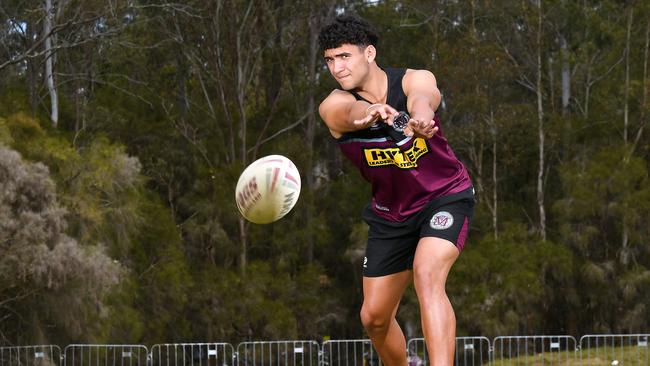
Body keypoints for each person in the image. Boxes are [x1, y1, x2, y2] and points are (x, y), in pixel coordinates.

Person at [317, 15, 475, 366]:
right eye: (330, 60)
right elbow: (347, 112)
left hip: (444, 196)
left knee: (427, 273)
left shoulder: (412, 79)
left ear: (369, 52)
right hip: (392, 216)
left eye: (344, 56)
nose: (337, 67)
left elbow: (424, 96)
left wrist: (420, 116)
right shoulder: (333, 105)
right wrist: (371, 111)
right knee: (373, 318)